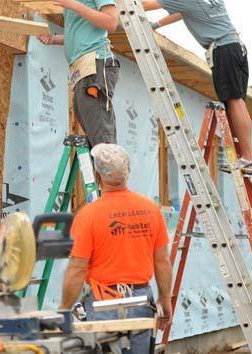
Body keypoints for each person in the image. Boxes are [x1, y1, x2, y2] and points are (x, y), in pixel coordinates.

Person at [142, 0, 252, 174]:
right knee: (237, 101)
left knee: (234, 101)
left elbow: (147, 5)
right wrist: (157, 25)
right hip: (236, 47)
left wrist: (117, 3)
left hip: (223, 50)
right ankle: (245, 156)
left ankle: (248, 159)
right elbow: (182, 13)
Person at [60, 144, 172, 353]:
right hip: (140, 302)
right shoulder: (150, 210)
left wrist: (64, 309)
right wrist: (165, 299)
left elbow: (77, 269)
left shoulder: (88, 216)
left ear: (97, 175)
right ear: (127, 172)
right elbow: (162, 261)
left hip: (104, 304)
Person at [37, 0, 119, 147]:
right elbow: (82, 30)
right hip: (81, 69)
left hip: (96, 64)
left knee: (102, 136)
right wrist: (54, 39)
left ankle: (112, 181)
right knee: (94, 135)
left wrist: (73, 5)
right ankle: (105, 179)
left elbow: (111, 22)